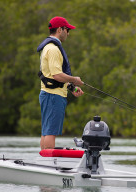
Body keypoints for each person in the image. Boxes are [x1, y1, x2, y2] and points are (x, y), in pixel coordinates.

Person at [36, 16, 84, 150]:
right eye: (67, 29)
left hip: (49, 94)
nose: (68, 33)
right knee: (50, 132)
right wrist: (75, 79)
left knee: (46, 131)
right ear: (59, 30)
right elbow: (57, 75)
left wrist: (72, 88)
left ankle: (44, 161)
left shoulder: (50, 47)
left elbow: (52, 76)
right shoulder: (53, 49)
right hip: (53, 96)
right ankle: (48, 163)